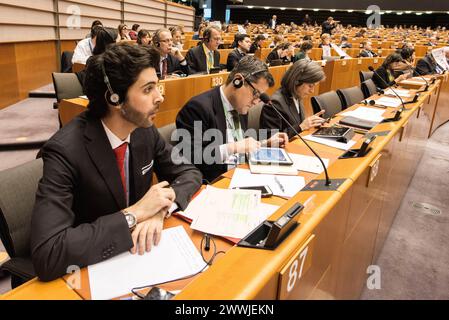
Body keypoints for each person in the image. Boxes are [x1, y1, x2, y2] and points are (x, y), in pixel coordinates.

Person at [31, 43, 202, 282]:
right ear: (115, 99)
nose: (160, 97)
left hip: (140, 256)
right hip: (91, 271)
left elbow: (189, 172)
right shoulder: (64, 151)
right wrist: (134, 214)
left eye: (157, 86)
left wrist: (158, 210)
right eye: (148, 89)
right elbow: (48, 253)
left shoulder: (144, 130)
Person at [176, 56, 288, 182]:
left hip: (242, 174)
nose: (257, 102)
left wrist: (264, 144)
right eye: (256, 94)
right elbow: (191, 158)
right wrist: (234, 147)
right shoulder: (198, 108)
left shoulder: (241, 106)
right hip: (216, 184)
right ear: (238, 80)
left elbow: (241, 145)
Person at [260, 60, 327, 139]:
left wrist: (311, 123)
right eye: (310, 86)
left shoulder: (296, 94)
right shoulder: (275, 103)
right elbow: (269, 138)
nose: (312, 91)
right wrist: (300, 127)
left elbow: (296, 122)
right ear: (296, 81)